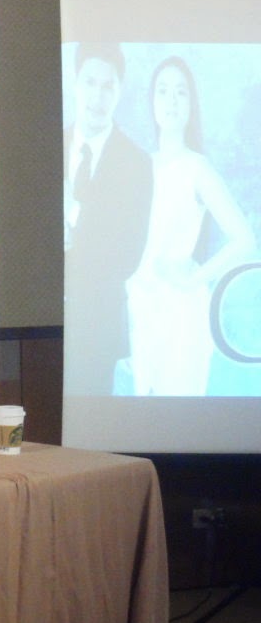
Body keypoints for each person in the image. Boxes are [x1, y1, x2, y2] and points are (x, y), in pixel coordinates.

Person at [125, 55, 255, 396]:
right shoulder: (139, 166)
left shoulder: (197, 168)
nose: (171, 100)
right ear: (151, 101)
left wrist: (193, 280)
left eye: (180, 92)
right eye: (163, 91)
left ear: (191, 104)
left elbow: (244, 239)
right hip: (141, 308)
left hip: (181, 315)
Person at [63, 42, 152, 395]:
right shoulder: (47, 147)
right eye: (90, 82)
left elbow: (128, 256)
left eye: (107, 86)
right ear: (75, 82)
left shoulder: (136, 162)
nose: (97, 97)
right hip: (38, 322)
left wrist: (74, 216)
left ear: (119, 91)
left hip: (99, 325)